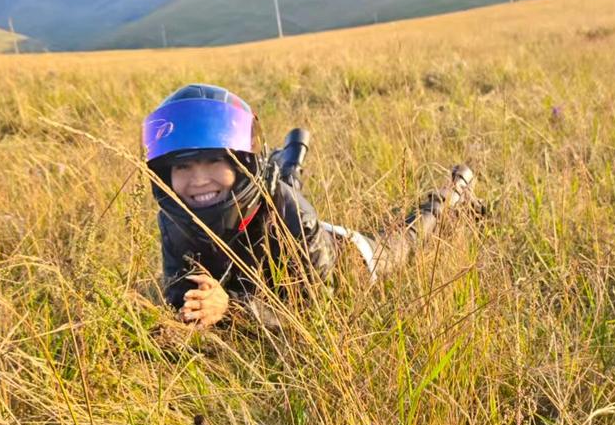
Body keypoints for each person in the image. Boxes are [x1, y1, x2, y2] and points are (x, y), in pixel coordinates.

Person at [143, 83, 479, 328]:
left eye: (214, 161)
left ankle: (454, 191)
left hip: (348, 256)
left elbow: (314, 309)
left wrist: (232, 309)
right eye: (182, 167)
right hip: (288, 223)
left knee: (409, 236)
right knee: (281, 183)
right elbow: (180, 292)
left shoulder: (292, 214)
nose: (198, 180)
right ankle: (293, 153)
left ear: (243, 164)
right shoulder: (175, 216)